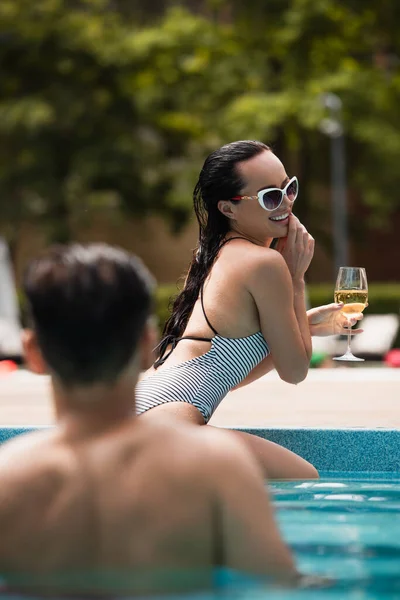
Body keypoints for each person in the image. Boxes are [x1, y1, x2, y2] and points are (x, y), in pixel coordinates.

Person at [0, 243, 298, 596]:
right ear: (147, 345)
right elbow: (282, 587)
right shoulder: (218, 468)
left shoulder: (8, 481)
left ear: (33, 353)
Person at [136, 140, 363, 480]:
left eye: (289, 188)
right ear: (228, 208)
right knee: (303, 478)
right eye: (270, 196)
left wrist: (304, 325)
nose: (286, 203)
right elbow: (296, 371)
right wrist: (296, 278)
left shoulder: (213, 254)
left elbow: (222, 371)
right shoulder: (266, 264)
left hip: (141, 410)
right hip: (166, 424)